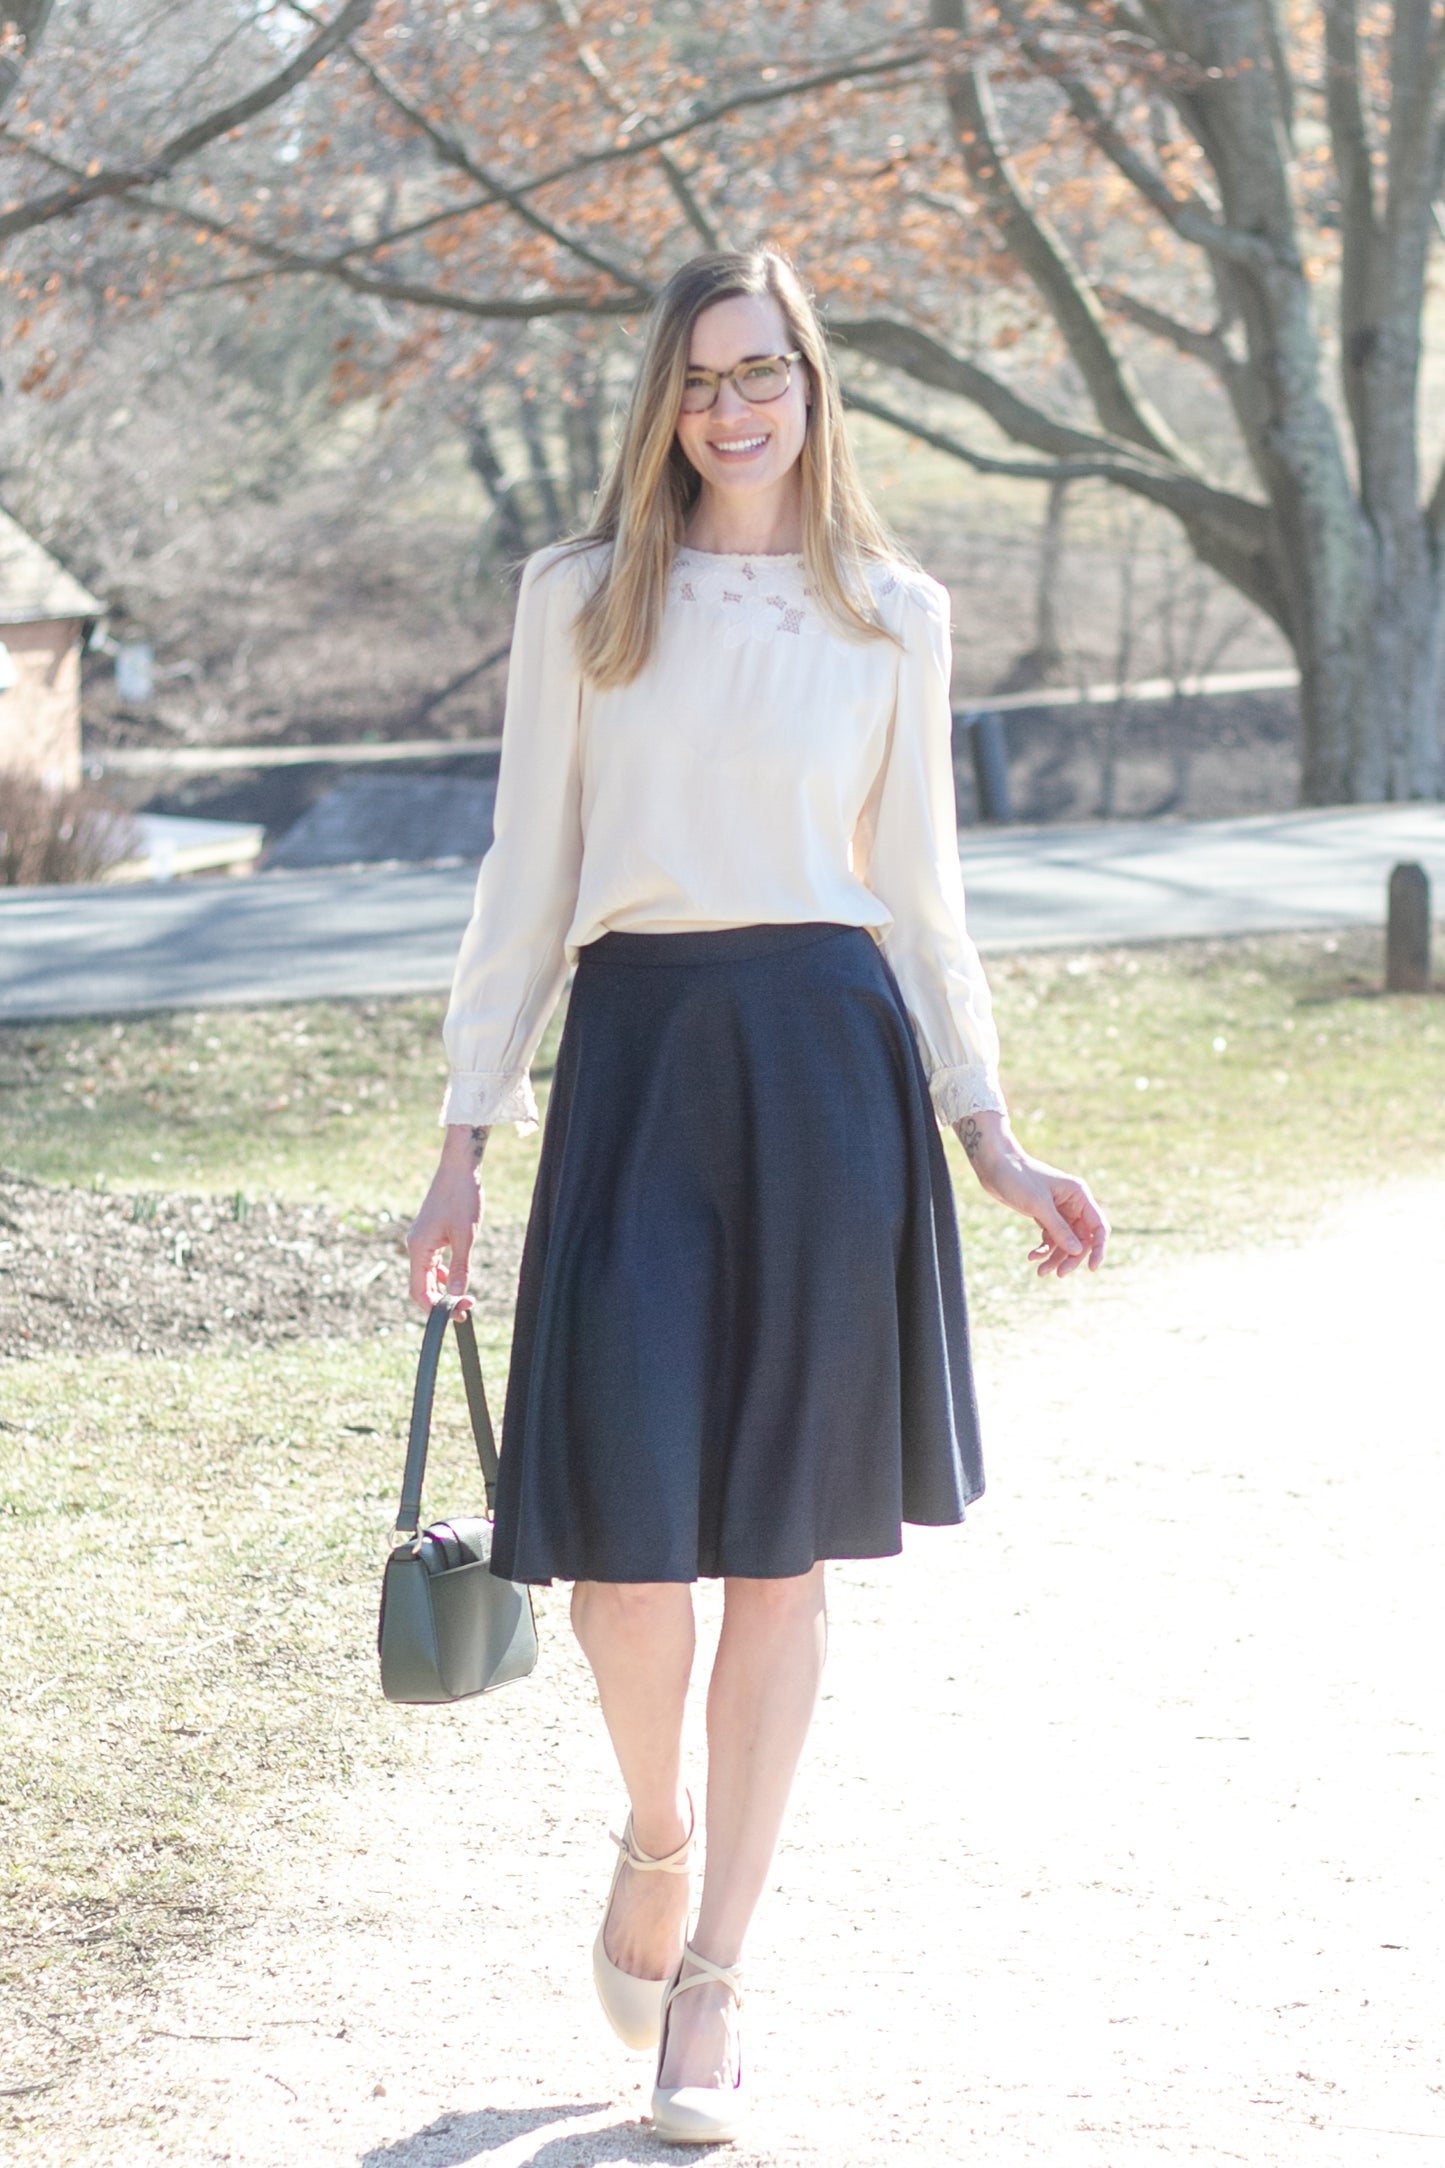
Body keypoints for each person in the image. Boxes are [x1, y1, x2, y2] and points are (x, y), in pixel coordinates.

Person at [407, 247, 1108, 2145]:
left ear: (811, 388)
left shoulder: (891, 614)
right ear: (666, 400)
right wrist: (464, 1139)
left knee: (775, 1562)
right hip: (638, 1074)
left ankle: (711, 1984)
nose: (733, 407)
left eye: (764, 372)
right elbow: (523, 882)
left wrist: (992, 1133)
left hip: (826, 1078)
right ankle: (655, 1829)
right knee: (628, 1571)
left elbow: (927, 903)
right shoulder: (581, 605)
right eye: (701, 378)